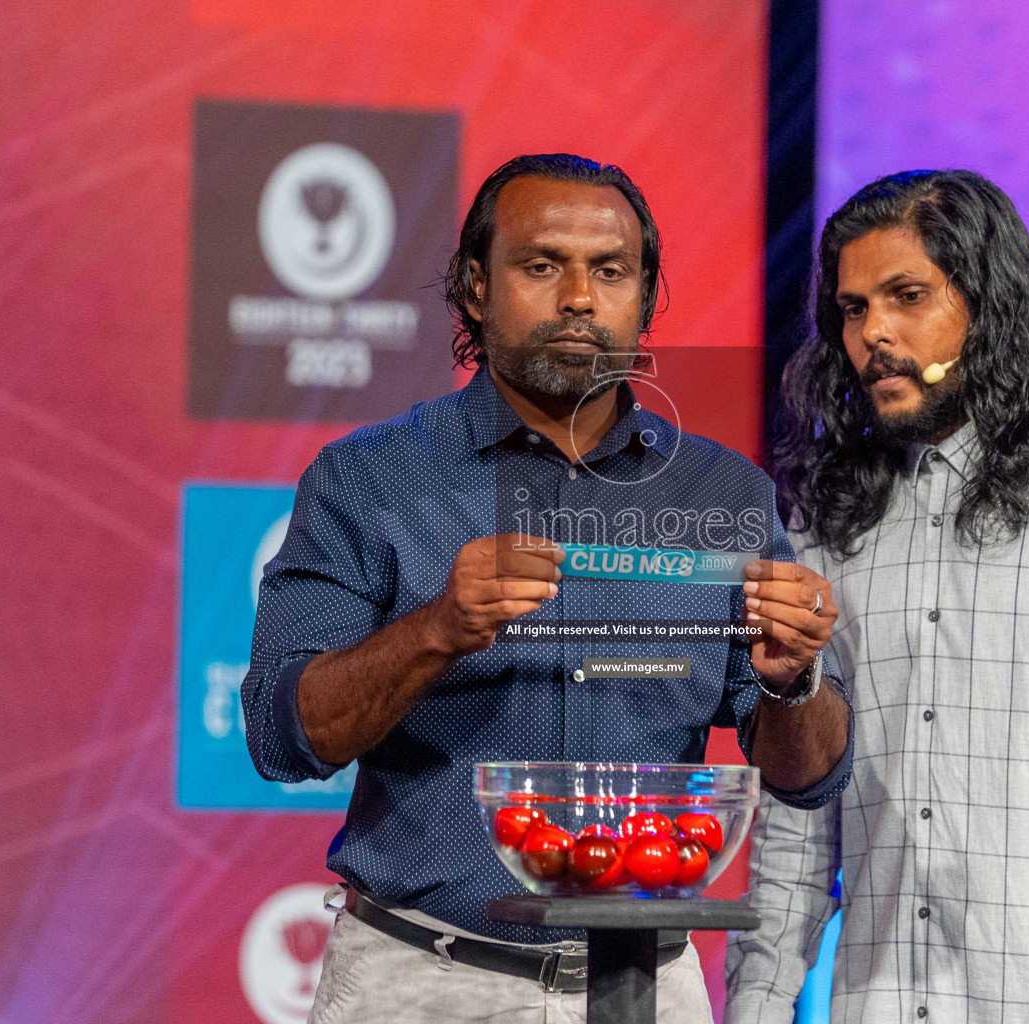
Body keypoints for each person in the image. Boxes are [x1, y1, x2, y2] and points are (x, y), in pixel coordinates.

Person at [242, 153, 853, 1024]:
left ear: (644, 298)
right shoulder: (368, 481)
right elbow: (282, 735)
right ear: (475, 289)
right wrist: (437, 629)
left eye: (610, 271)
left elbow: (807, 778)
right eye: (541, 265)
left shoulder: (725, 497)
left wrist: (796, 679)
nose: (578, 296)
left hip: (640, 988)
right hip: (422, 981)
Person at [726, 170, 1029, 1024]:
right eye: (851, 309)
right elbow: (799, 826)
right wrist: (757, 1009)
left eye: (906, 296)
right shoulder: (826, 522)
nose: (873, 331)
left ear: (985, 304)